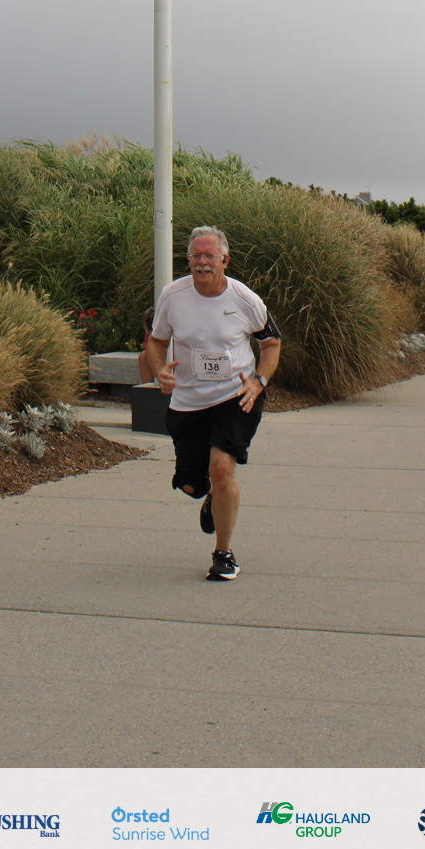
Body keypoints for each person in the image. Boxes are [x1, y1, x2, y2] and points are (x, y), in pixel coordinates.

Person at [146, 225, 281, 582]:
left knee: (222, 469)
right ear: (188, 259)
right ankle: (211, 496)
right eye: (196, 256)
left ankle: (224, 554)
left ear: (225, 260)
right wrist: (159, 371)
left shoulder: (244, 300)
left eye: (210, 256)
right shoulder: (173, 296)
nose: (202, 262)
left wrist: (259, 381)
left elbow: (271, 344)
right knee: (192, 485)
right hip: (188, 400)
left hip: (235, 395)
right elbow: (157, 341)